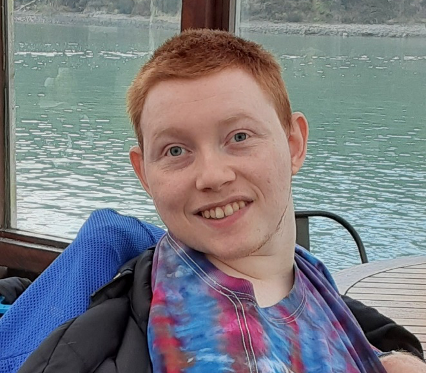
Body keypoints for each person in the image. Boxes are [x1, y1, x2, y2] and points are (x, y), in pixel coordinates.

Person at [18, 29, 426, 373]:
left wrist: (388, 360)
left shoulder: (305, 271)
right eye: (176, 151)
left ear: (294, 144)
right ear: (144, 174)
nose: (212, 175)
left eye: (239, 137)